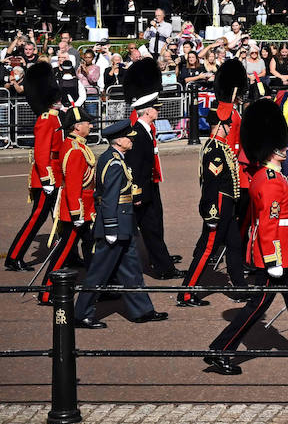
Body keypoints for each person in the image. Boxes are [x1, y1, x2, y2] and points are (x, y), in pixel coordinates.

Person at [204, 98, 288, 375]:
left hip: (286, 251)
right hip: (275, 254)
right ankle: (220, 349)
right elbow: (270, 224)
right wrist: (273, 259)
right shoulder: (270, 180)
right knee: (258, 305)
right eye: (281, 145)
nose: (285, 148)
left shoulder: (266, 174)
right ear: (272, 149)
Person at [72, 117, 167, 329]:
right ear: (119, 140)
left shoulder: (113, 158)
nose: (131, 141)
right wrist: (112, 227)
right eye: (128, 138)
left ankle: (142, 310)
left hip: (124, 225)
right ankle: (81, 314)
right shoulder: (114, 162)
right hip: (114, 226)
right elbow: (109, 198)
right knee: (99, 273)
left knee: (131, 270)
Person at [178, 103, 246, 306]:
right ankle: (187, 292)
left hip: (227, 205)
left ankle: (240, 288)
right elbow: (211, 186)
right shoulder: (215, 149)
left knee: (234, 245)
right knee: (207, 250)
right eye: (227, 125)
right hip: (218, 206)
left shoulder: (220, 146)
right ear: (219, 125)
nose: (230, 128)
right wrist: (211, 213)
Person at [123, 59, 180, 279]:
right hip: (141, 187)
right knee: (143, 228)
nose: (159, 109)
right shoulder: (137, 129)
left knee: (153, 224)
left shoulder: (146, 126)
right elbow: (136, 165)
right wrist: (137, 191)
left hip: (150, 181)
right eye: (156, 107)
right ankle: (161, 264)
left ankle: (161, 259)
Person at [6, 62, 63, 271]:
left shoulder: (54, 118)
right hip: (46, 177)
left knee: (61, 218)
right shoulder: (46, 120)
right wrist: (47, 180)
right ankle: (14, 257)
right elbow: (41, 153)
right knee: (36, 219)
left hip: (57, 174)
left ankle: (70, 253)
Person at [39, 105, 97, 304]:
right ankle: (47, 292)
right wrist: (76, 213)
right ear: (76, 127)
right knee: (64, 251)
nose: (90, 125)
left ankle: (98, 287)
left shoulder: (78, 145)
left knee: (93, 249)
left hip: (86, 207)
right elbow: (73, 185)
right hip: (78, 209)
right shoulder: (74, 150)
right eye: (87, 122)